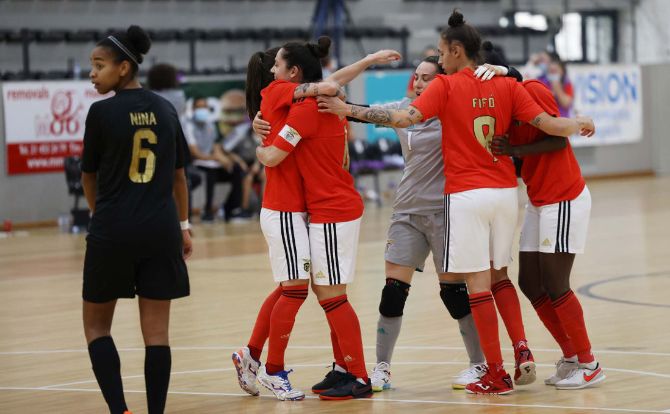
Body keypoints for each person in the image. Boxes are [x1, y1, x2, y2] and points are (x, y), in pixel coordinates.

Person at [318, 9, 595, 395]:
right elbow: (549, 124)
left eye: (442, 55)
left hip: (465, 197)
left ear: (456, 52)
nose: (434, 66)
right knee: (504, 279)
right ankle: (520, 352)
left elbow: (404, 118)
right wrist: (578, 121)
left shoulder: (448, 90)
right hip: (498, 196)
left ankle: (494, 370)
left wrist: (348, 111)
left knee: (478, 286)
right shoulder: (502, 86)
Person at [232, 41, 398, 401]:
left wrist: (258, 147)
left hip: (327, 209)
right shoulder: (311, 102)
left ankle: (350, 373)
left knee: (319, 292)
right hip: (305, 209)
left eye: (279, 65)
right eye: (272, 66)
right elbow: (331, 81)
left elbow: (274, 154)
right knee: (309, 291)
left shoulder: (303, 108)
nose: (274, 73)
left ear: (292, 74)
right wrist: (367, 61)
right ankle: (324, 367)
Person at [81, 25, 192, 414]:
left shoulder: (100, 112)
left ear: (124, 68)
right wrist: (183, 226)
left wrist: (100, 218)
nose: (93, 73)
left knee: (96, 327)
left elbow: (88, 176)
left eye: (99, 65)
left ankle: (120, 411)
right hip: (161, 230)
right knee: (157, 333)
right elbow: (180, 176)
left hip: (112, 230)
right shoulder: (165, 108)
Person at [490, 80, 605, 390]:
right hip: (538, 199)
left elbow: (557, 141)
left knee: (556, 282)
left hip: (564, 196)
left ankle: (589, 363)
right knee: (529, 281)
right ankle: (570, 356)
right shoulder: (494, 110)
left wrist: (514, 150)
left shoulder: (532, 91)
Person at [147, 63, 201, 220]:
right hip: (175, 141)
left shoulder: (149, 97)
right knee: (182, 180)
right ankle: (185, 218)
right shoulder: (179, 97)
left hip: (154, 144)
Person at [185, 96, 244, 222]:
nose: (203, 110)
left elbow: (216, 145)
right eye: (199, 107)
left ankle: (233, 210)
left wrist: (222, 158)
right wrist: (215, 157)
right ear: (193, 109)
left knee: (235, 169)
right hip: (196, 162)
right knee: (210, 173)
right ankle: (207, 212)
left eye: (205, 107)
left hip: (210, 161)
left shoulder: (210, 125)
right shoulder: (188, 125)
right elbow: (195, 152)